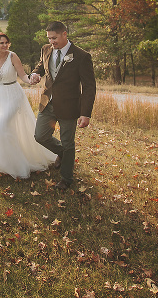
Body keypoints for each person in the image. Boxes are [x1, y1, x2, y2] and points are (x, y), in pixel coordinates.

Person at [30, 21, 96, 190]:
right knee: (40, 136)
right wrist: (36, 73)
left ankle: (66, 178)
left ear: (65, 34)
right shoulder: (45, 49)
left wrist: (85, 113)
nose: (51, 42)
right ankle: (63, 154)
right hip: (47, 103)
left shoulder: (81, 56)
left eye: (54, 38)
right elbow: (41, 66)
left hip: (69, 106)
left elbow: (89, 87)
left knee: (68, 143)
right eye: (49, 38)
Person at [0, 32, 57, 178]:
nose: (5, 45)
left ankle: (15, 164)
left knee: (0, 126)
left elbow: (22, 75)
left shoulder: (12, 56)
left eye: (6, 42)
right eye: (1, 43)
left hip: (13, 95)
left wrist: (31, 79)